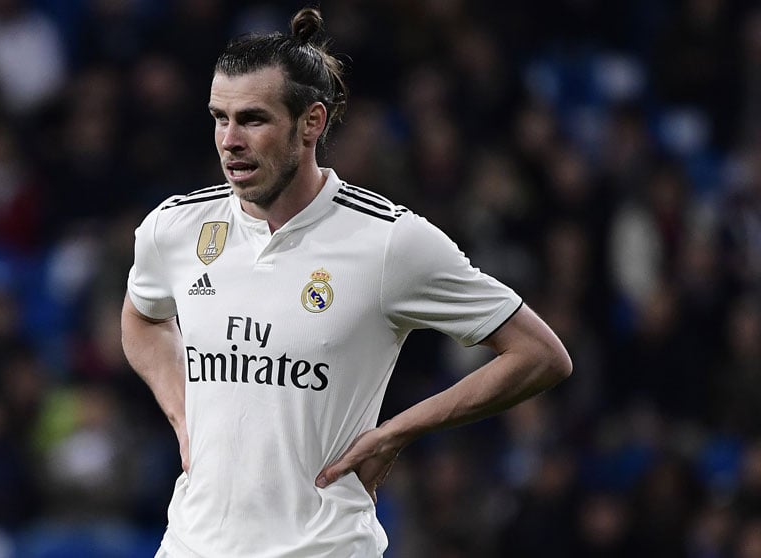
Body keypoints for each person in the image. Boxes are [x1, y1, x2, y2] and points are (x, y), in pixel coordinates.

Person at [121, 7, 572, 557]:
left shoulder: (390, 242)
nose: (229, 140)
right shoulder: (177, 227)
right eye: (220, 117)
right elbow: (142, 315)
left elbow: (540, 355)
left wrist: (397, 432)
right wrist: (181, 412)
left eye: (253, 119)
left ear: (311, 122)